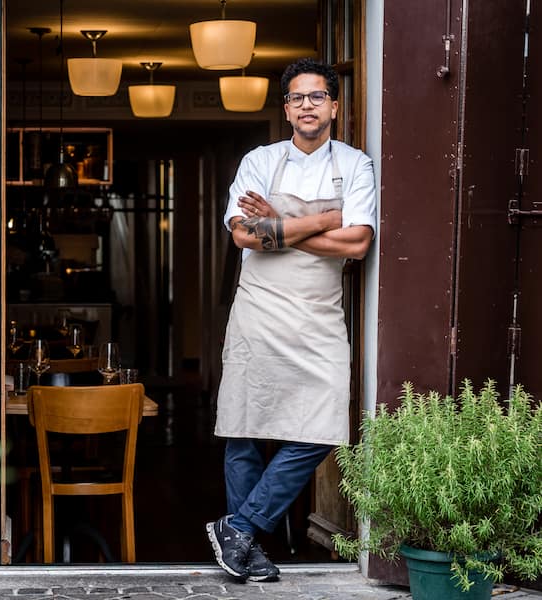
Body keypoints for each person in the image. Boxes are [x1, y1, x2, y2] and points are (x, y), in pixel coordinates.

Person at [206, 57, 377, 583]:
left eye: (317, 97)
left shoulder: (355, 165)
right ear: (286, 108)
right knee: (245, 427)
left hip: (319, 317)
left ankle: (239, 526)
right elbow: (243, 235)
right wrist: (326, 219)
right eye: (298, 98)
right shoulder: (260, 160)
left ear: (333, 105)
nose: (308, 106)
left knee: (325, 426)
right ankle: (246, 547)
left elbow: (360, 241)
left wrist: (279, 224)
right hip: (258, 312)